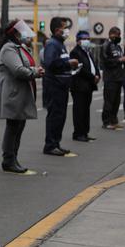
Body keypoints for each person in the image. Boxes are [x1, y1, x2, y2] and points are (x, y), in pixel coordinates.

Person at [0, 20, 44, 173]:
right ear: (15, 33)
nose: (25, 35)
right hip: (13, 93)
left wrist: (34, 69)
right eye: (21, 32)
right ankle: (8, 160)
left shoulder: (19, 48)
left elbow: (26, 66)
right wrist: (35, 72)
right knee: (13, 127)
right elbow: (18, 70)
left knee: (19, 126)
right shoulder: (8, 49)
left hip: (21, 92)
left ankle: (13, 158)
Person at [43, 17, 79, 156]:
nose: (66, 31)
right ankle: (50, 145)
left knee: (60, 116)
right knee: (55, 116)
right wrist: (69, 64)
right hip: (54, 86)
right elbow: (51, 64)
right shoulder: (52, 44)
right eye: (64, 28)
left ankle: (56, 143)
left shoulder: (60, 44)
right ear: (57, 30)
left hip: (62, 86)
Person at [69, 31, 100, 142]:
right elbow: (81, 69)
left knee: (86, 110)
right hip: (79, 86)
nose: (87, 40)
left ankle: (85, 132)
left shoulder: (88, 52)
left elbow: (94, 65)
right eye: (84, 38)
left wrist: (98, 75)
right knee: (79, 110)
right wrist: (93, 77)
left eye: (88, 38)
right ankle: (78, 133)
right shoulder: (75, 52)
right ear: (78, 40)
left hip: (88, 86)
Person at [101, 27, 125, 130]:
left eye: (120, 34)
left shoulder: (117, 47)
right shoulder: (106, 45)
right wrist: (119, 60)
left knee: (116, 101)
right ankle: (106, 122)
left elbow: (119, 59)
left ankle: (114, 120)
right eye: (117, 34)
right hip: (110, 78)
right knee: (109, 101)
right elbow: (106, 61)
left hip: (118, 77)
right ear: (111, 34)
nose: (119, 36)